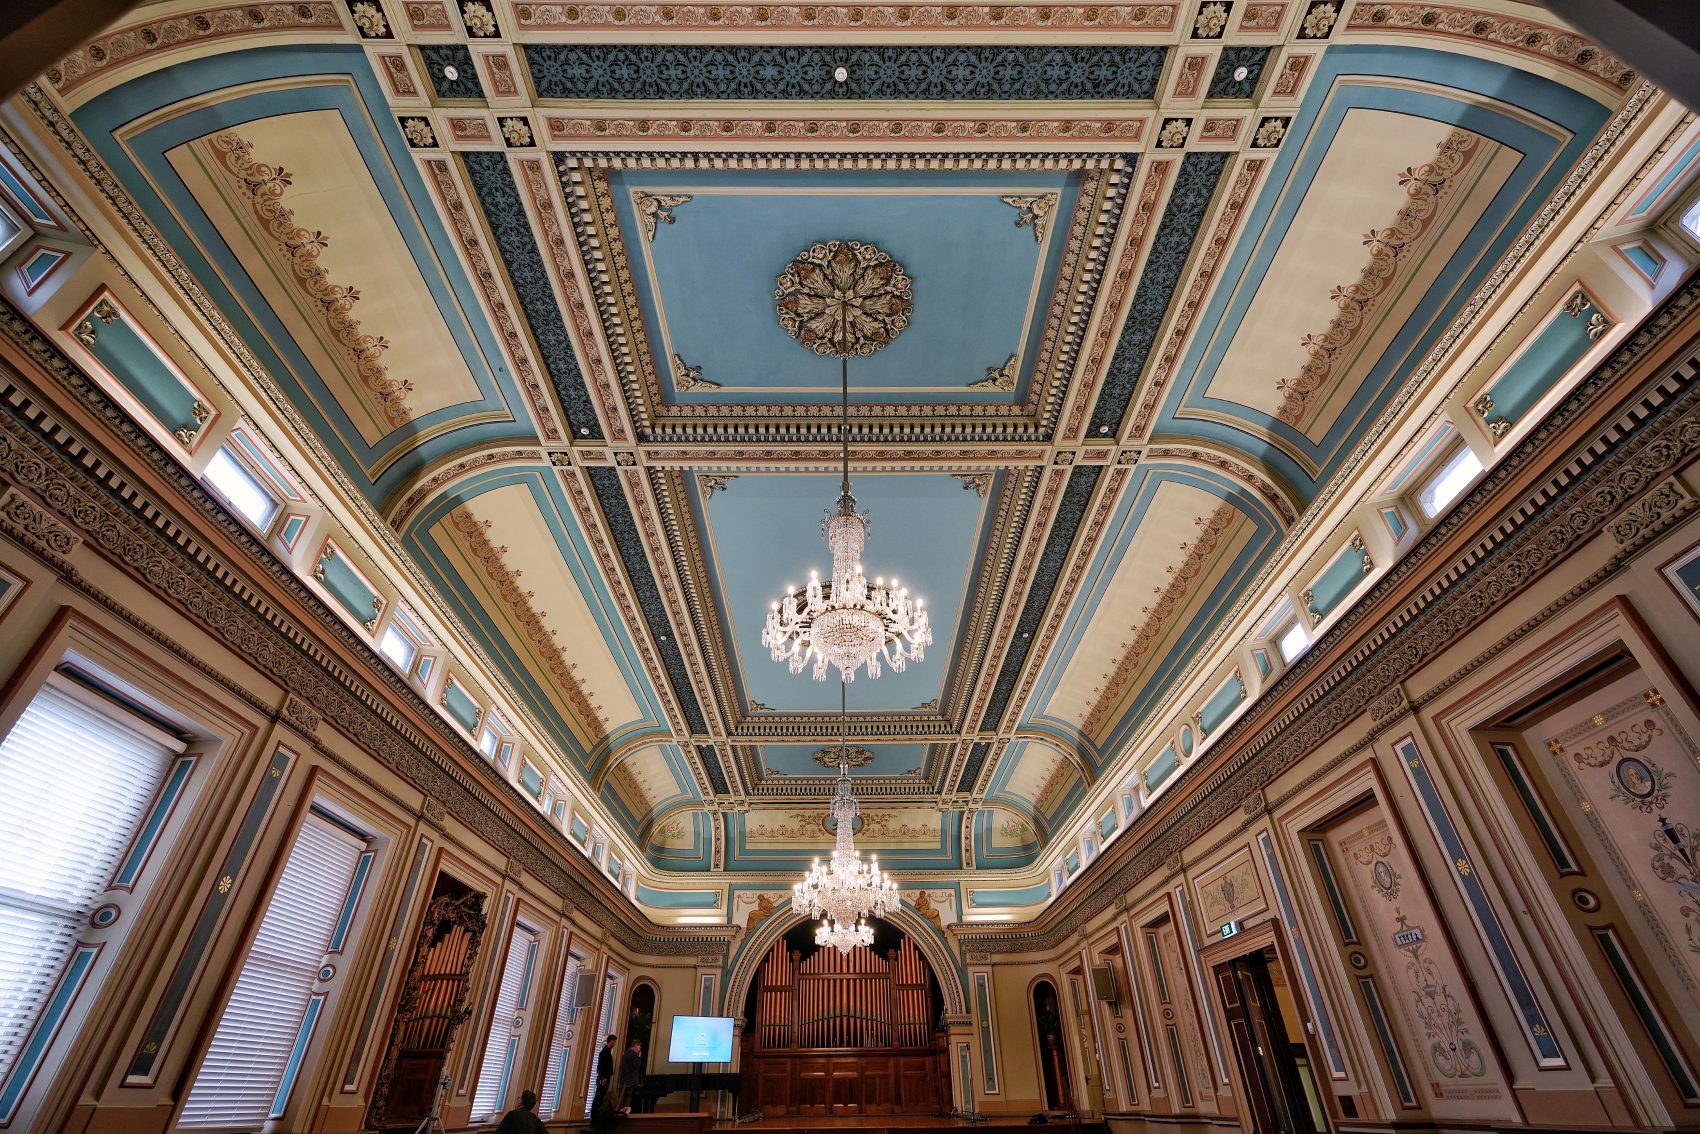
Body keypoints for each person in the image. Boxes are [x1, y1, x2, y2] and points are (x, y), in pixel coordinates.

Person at [616, 1037, 644, 1114]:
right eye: (639, 1046)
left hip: (625, 1082)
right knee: (626, 1104)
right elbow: (637, 1065)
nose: (640, 1048)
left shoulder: (627, 1053)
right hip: (628, 1083)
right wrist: (639, 1057)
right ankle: (625, 1118)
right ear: (635, 1045)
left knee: (625, 1101)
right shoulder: (632, 1054)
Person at [594, 1033, 616, 1107]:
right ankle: (594, 1115)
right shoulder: (604, 1052)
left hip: (606, 1078)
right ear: (611, 1041)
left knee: (601, 1097)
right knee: (599, 1097)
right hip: (603, 1079)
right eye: (614, 1041)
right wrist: (603, 1077)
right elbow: (600, 1066)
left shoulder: (608, 1052)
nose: (615, 1043)